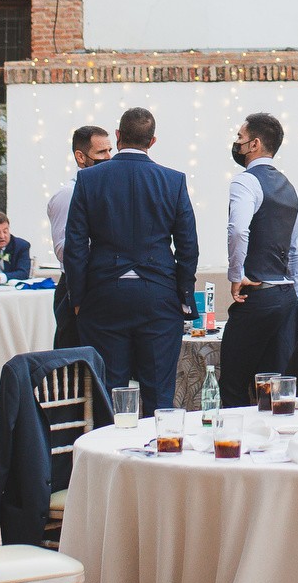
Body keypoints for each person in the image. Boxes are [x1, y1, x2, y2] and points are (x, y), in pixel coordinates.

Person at [64, 107, 198, 417]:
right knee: (159, 394)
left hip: (103, 296)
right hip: (158, 296)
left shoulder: (88, 180)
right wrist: (184, 297)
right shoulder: (173, 180)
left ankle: (109, 460)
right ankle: (158, 459)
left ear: (119, 136)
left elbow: (75, 246)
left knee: (108, 393)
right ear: (152, 141)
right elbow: (188, 246)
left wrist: (79, 297)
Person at [218, 112, 298, 407]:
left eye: (240, 138)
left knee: (233, 383)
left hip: (257, 295)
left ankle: (234, 446)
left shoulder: (245, 182)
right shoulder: (289, 187)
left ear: (255, 144)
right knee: (274, 386)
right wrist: (291, 293)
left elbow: (237, 230)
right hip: (284, 297)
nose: (236, 143)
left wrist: (236, 275)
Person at [48, 125, 114, 347]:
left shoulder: (107, 188)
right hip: (76, 288)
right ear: (80, 157)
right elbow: (64, 249)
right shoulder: (68, 194)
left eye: (109, 151)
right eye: (101, 153)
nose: (109, 157)